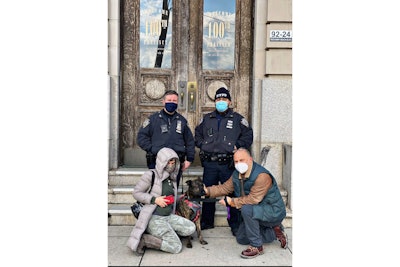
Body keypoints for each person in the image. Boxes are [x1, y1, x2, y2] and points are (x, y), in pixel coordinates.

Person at [203, 148, 288, 259]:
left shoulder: (262, 176)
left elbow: (253, 199)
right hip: (258, 211)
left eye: (241, 160)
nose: (238, 164)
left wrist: (231, 202)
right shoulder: (236, 174)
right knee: (241, 238)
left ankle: (257, 246)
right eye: (236, 161)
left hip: (273, 212)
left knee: (246, 209)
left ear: (250, 159)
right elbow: (225, 188)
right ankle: (275, 231)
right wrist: (207, 191)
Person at [194, 87, 253, 235]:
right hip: (210, 163)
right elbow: (197, 136)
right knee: (208, 192)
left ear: (229, 101)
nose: (221, 102)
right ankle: (207, 221)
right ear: (215, 102)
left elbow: (248, 136)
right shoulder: (206, 119)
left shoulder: (238, 119)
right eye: (218, 100)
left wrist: (237, 146)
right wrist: (203, 145)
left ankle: (234, 223)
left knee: (232, 193)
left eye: (224, 99)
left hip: (228, 164)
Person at [126, 147, 196, 254]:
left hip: (168, 217)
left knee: (191, 227)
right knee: (176, 247)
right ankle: (145, 240)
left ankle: (165, 233)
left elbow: (169, 197)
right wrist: (154, 199)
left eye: (173, 162)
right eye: (169, 162)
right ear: (162, 161)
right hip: (154, 218)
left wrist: (183, 198)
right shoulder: (151, 175)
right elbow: (136, 193)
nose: (171, 165)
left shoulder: (171, 178)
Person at [137, 90, 195, 188]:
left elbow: (190, 141)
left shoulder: (182, 120)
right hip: (157, 161)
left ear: (177, 103)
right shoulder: (153, 119)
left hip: (176, 163)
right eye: (169, 100)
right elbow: (141, 137)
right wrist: (152, 149)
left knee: (173, 191)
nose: (171, 102)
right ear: (163, 102)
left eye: (174, 101)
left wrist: (189, 159)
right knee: (157, 190)